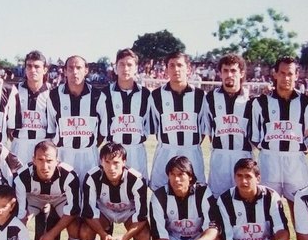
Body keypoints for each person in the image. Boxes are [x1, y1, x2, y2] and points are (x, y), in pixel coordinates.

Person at [251, 56, 308, 223]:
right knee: (268, 210)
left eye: (290, 74)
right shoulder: (261, 102)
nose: (286, 78)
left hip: (295, 162)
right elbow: (255, 137)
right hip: (269, 160)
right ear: (275, 74)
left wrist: (294, 152)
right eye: (282, 73)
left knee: (300, 210)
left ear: (297, 75)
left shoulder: (307, 103)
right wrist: (271, 151)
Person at [79, 143, 150, 240]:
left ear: (124, 162)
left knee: (144, 235)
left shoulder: (136, 180)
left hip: (128, 211)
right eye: (107, 162)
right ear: (101, 161)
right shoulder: (92, 177)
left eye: (116, 163)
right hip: (104, 211)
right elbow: (89, 213)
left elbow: (142, 217)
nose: (111, 168)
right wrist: (104, 236)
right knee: (85, 232)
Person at [13, 140, 80, 240]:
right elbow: (20, 217)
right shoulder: (21, 176)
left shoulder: (69, 175)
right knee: (17, 225)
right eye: (40, 160)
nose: (45, 166)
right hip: (35, 198)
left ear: (57, 160)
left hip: (60, 199)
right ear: (33, 160)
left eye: (49, 160)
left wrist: (51, 234)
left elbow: (73, 210)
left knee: (74, 227)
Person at [149, 51, 207, 190]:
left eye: (180, 65)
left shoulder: (200, 95)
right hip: (166, 152)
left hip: (192, 151)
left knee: (194, 192)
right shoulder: (156, 96)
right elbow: (155, 125)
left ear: (188, 69)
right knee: (161, 192)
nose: (176, 69)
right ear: (166, 69)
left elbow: (203, 127)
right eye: (172, 65)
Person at [46, 55, 107, 181]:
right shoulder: (54, 95)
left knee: (89, 193)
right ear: (64, 70)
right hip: (63, 154)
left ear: (86, 70)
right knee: (65, 196)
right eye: (71, 68)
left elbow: (102, 132)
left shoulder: (97, 96)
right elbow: (51, 129)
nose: (74, 72)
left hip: (89, 155)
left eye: (79, 67)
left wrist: (88, 145)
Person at [203, 54, 253, 197]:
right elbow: (209, 129)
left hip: (243, 155)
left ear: (242, 73)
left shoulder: (251, 100)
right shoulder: (210, 99)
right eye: (225, 71)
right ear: (220, 73)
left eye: (233, 71)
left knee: (244, 197)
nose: (229, 74)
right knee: (218, 198)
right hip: (220, 155)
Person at [102, 48, 152, 178]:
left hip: (137, 151)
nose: (126, 68)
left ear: (136, 68)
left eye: (130, 65)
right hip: (112, 152)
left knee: (138, 190)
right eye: (122, 64)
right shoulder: (105, 94)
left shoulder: (146, 94)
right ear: (115, 67)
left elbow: (148, 124)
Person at [7, 50, 52, 166]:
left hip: (44, 144)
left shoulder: (53, 92)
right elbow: (8, 122)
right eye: (29, 66)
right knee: (17, 180)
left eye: (37, 66)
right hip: (19, 144)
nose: (32, 70)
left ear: (45, 69)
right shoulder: (14, 90)